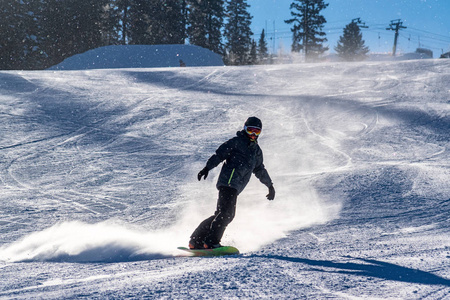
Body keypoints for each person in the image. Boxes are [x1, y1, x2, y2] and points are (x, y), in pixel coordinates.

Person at [189, 116, 275, 249]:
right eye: (250, 130)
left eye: (256, 132)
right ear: (245, 129)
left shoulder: (256, 151)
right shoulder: (236, 142)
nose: (253, 134)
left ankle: (197, 240)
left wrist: (270, 185)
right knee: (227, 214)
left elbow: (259, 169)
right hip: (228, 182)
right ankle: (211, 241)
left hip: (235, 186)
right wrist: (207, 167)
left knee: (221, 214)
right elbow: (219, 154)